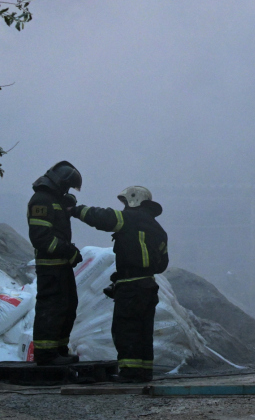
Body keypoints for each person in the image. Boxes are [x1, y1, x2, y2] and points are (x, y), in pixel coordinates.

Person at [69, 186, 168, 382]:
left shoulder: (130, 218)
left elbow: (102, 217)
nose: (123, 207)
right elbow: (162, 264)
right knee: (143, 331)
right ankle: (144, 372)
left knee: (126, 330)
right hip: (149, 286)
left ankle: (130, 373)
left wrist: (74, 210)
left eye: (124, 202)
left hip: (130, 287)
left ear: (133, 200)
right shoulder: (158, 230)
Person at [27, 161, 83, 366]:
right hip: (50, 266)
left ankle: (59, 349)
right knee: (51, 307)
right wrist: (67, 250)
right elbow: (41, 238)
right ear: (61, 182)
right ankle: (45, 354)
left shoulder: (53, 200)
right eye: (67, 187)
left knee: (67, 306)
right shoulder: (41, 201)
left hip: (61, 265)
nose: (67, 191)